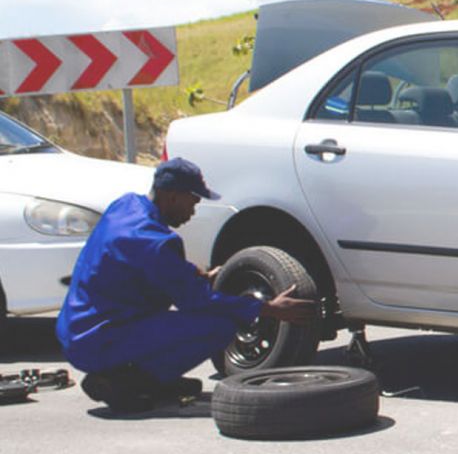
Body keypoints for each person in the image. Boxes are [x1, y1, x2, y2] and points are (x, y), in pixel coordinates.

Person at [55, 158, 316, 413]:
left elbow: (142, 267)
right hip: (99, 339)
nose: (193, 210)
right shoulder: (155, 241)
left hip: (76, 329)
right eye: (193, 201)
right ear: (172, 197)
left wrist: (193, 275)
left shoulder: (125, 206)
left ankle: (146, 376)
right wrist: (269, 308)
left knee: (184, 318)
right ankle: (125, 383)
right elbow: (198, 302)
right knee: (218, 327)